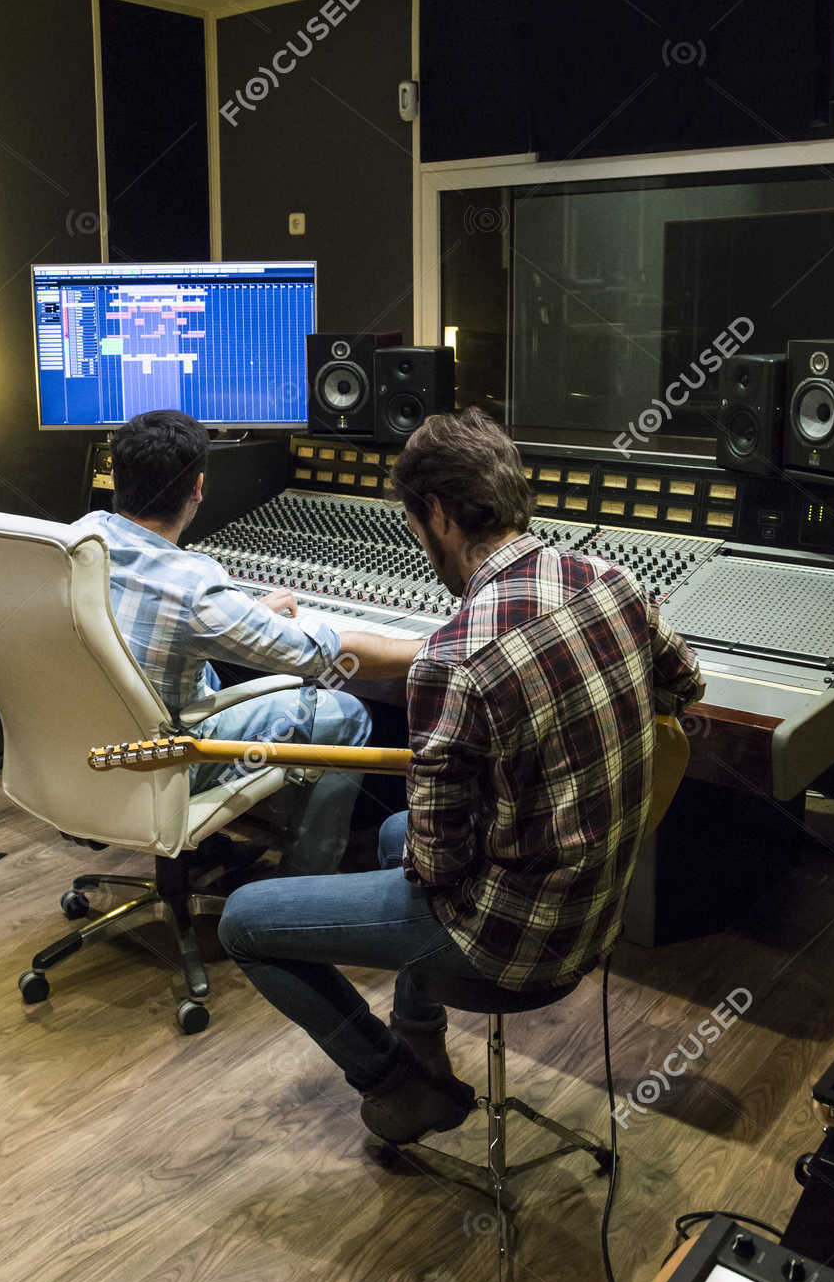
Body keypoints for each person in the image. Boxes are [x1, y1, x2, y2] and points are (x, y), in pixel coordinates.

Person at [219, 407, 704, 1142]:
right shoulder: (613, 579)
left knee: (245, 921)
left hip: (513, 943)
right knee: (392, 830)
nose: (422, 545)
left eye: (416, 527)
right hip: (600, 909)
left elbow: (438, 868)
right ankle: (419, 1033)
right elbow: (686, 685)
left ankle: (400, 1085)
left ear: (438, 514)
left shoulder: (452, 658)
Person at [71, 409, 418, 875]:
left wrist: (246, 617)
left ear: (114, 476)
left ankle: (200, 852)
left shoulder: (76, 539)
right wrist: (432, 647)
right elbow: (321, 657)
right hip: (160, 764)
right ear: (197, 488)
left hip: (79, 754)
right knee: (349, 714)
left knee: (202, 671)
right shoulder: (193, 587)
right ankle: (298, 891)